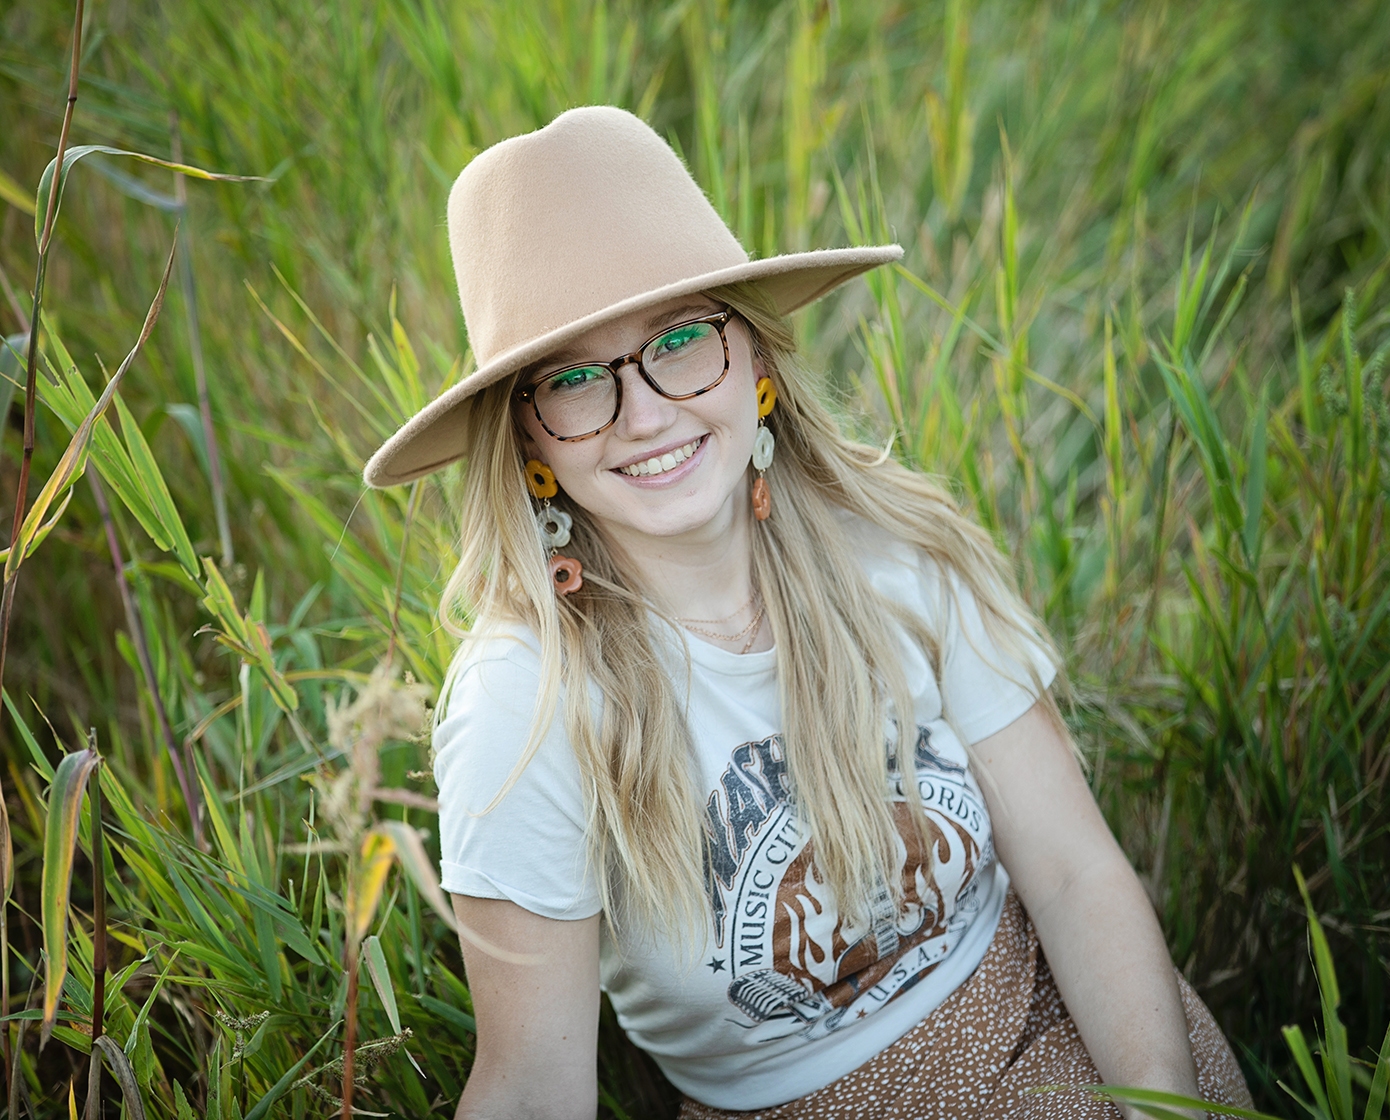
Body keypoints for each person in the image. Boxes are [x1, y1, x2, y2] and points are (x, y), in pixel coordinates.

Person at [363, 106, 1252, 1120]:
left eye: (679, 340)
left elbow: (1071, 872)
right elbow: (529, 1087)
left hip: (1058, 1028)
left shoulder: (897, 548)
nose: (644, 414)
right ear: (529, 440)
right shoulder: (524, 703)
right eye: (573, 380)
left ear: (756, 359)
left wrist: (1158, 1104)